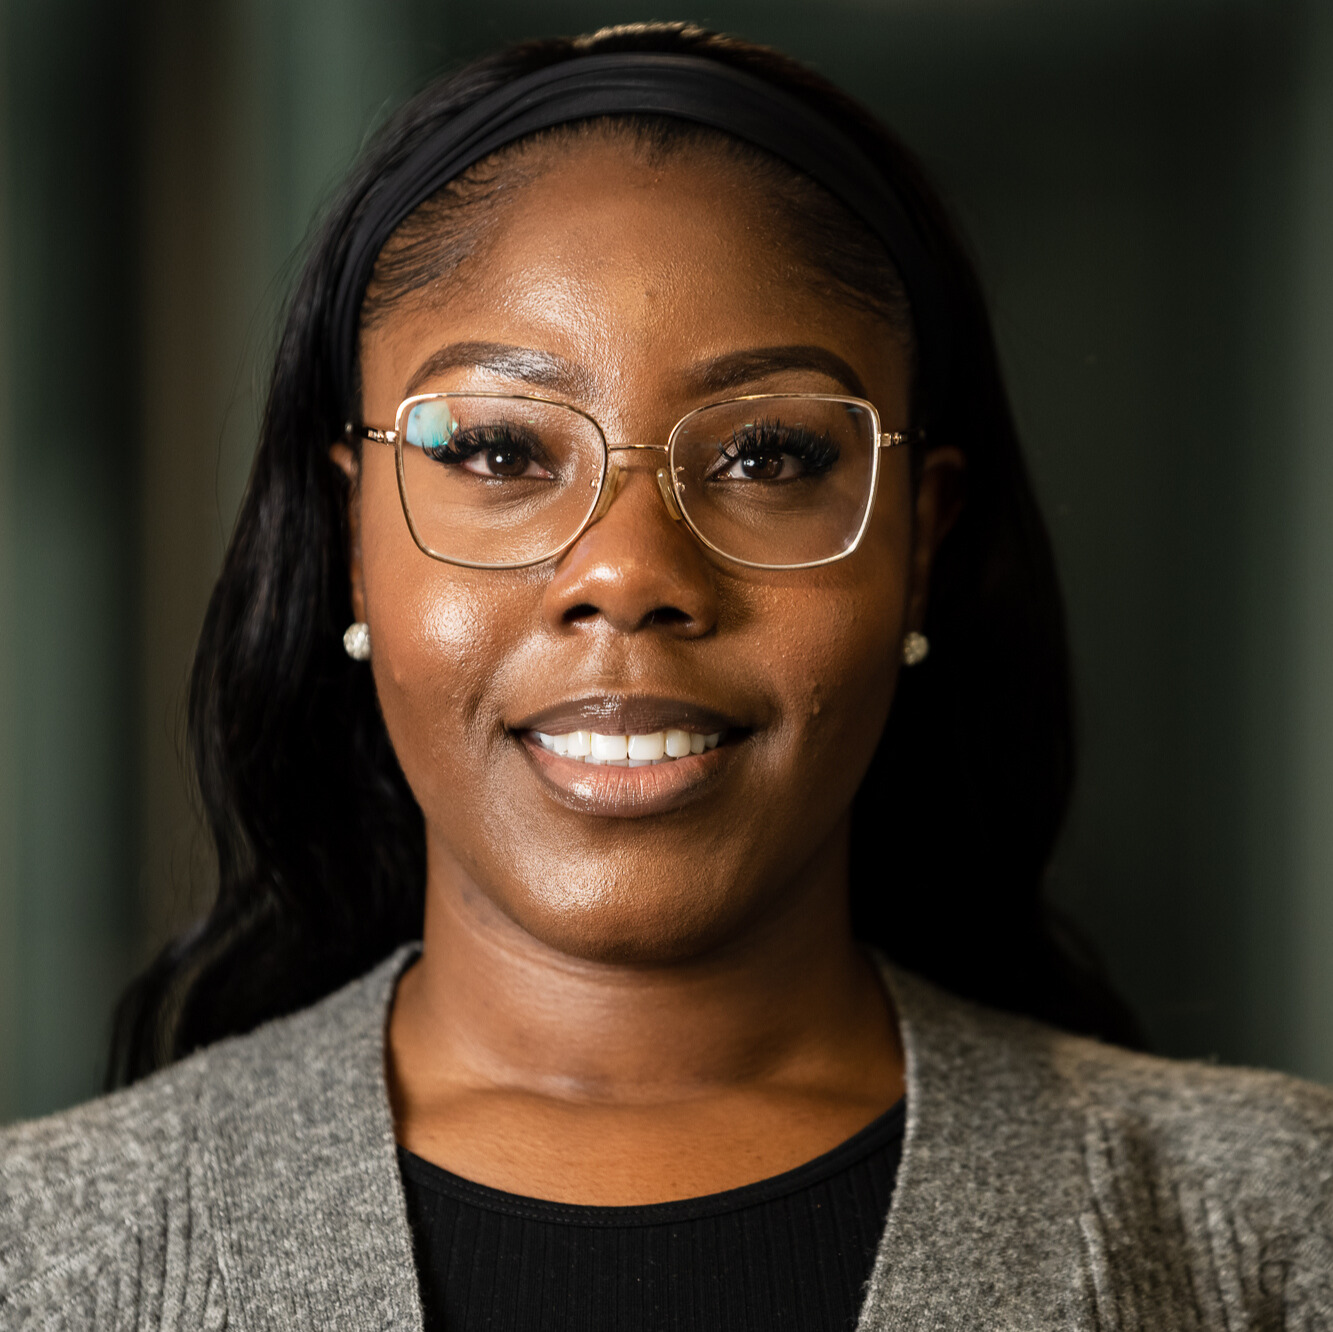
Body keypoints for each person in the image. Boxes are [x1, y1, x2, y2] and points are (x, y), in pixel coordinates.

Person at [2, 21, 1330, 1330]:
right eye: (500, 452)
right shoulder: (44, 1254)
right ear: (354, 540)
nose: (627, 571)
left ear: (917, 546)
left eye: (766, 456)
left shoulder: (1276, 1228)